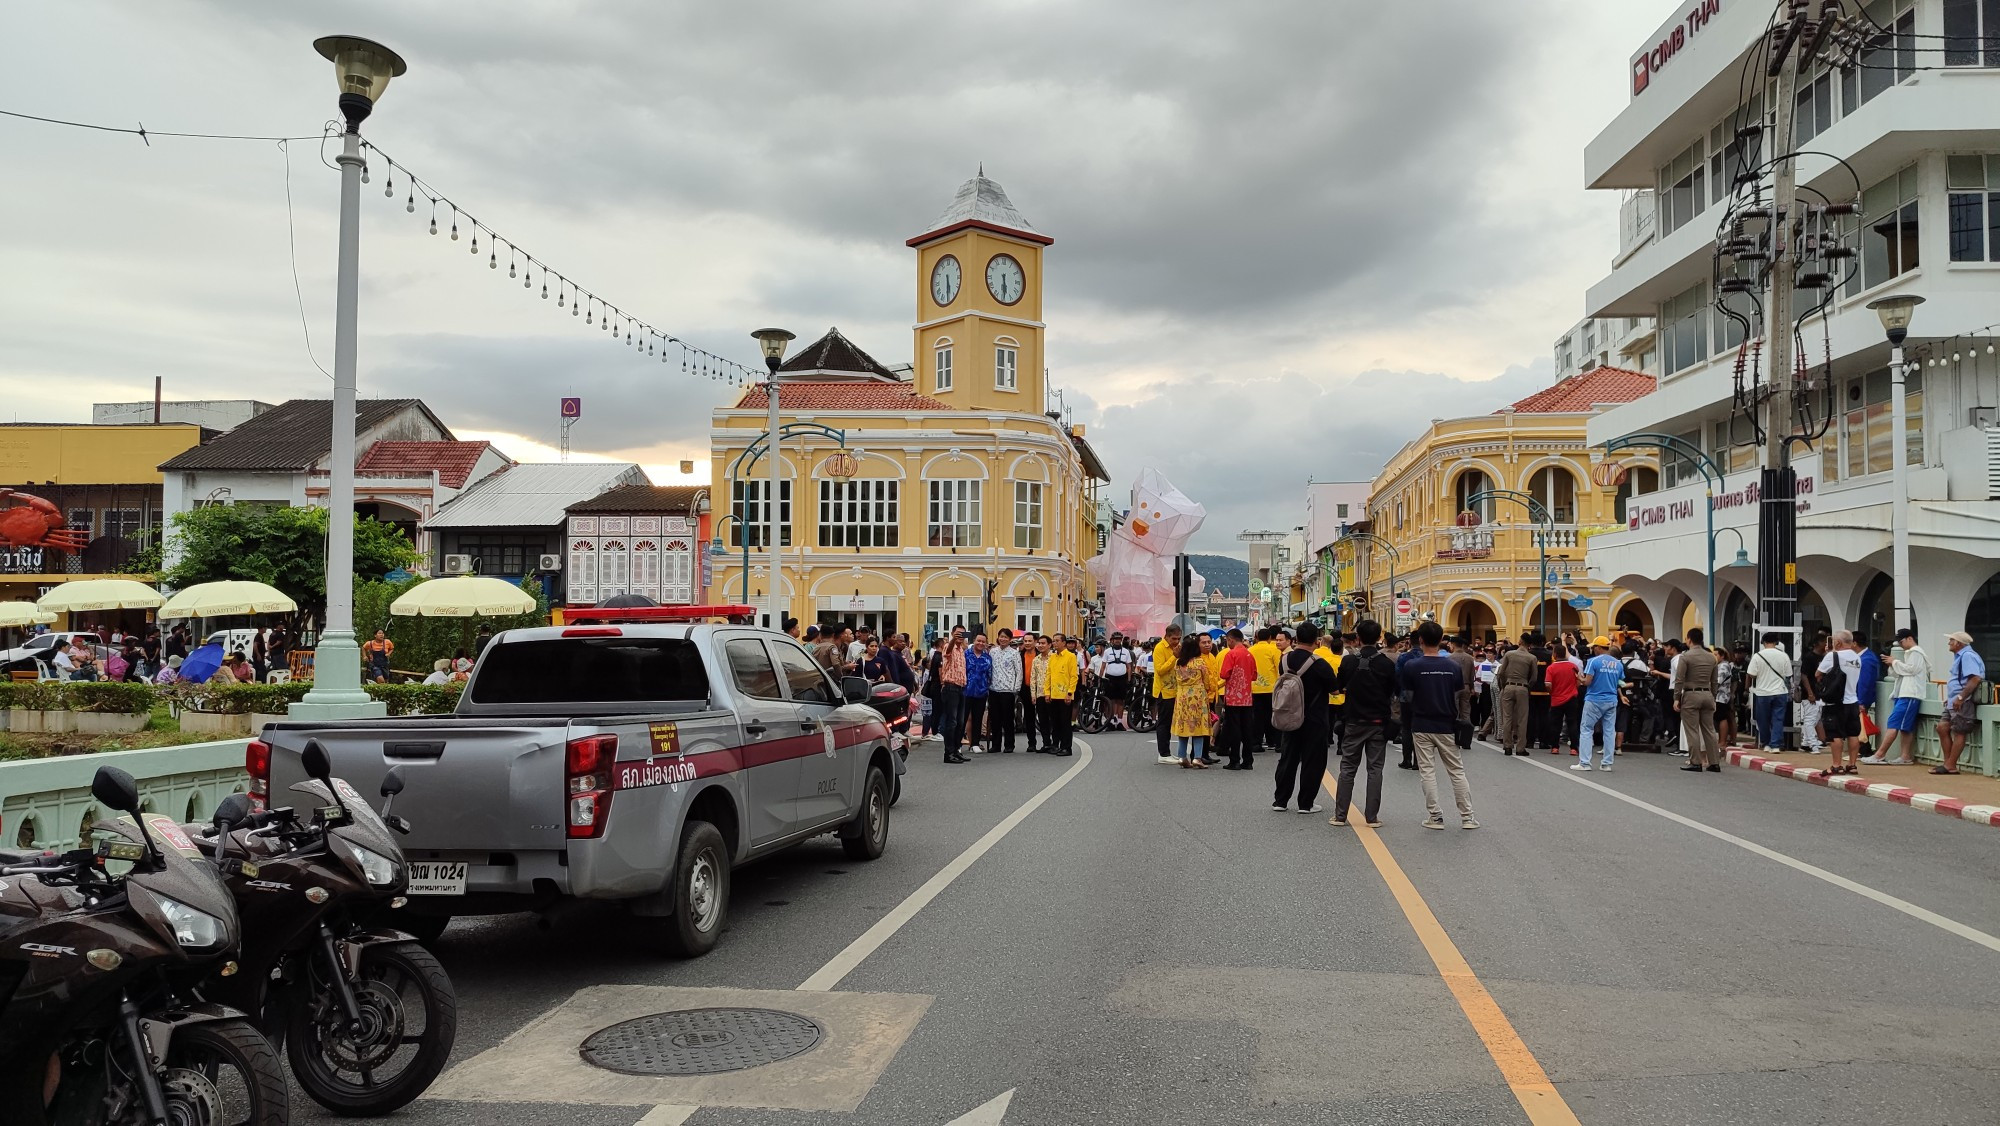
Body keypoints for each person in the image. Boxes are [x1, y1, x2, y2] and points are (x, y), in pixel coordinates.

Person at [1402, 620, 1477, 829]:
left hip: (1421, 723)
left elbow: (1408, 697)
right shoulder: (1452, 666)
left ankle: (1435, 816)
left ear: (1421, 640)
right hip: (1446, 723)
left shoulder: (1411, 666)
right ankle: (1467, 817)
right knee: (1456, 770)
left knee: (1427, 770)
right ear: (1442, 640)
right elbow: (1456, 692)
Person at [1329, 619, 1396, 827]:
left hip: (1353, 720)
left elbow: (1338, 687)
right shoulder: (1386, 663)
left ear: (1357, 638)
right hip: (1378, 721)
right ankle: (1372, 817)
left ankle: (1340, 816)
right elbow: (1392, 692)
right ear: (1379, 638)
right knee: (1375, 769)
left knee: (1348, 767)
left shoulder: (1348, 662)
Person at [1270, 622, 1336, 814]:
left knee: (1287, 758)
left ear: (1295, 639)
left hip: (1289, 716)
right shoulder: (1320, 663)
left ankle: (1280, 801)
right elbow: (1335, 689)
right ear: (1316, 640)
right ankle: (1305, 803)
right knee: (1312, 761)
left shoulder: (1284, 660)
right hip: (1314, 718)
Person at [1870, 628, 1930, 766]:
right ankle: (1905, 756)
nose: (1901, 645)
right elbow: (1899, 673)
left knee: (1893, 723)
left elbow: (1911, 669)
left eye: (1901, 641)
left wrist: (1895, 662)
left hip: (1910, 694)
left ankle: (1880, 754)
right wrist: (1893, 663)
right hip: (1905, 693)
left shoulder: (1916, 653)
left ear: (1909, 638)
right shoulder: (1910, 653)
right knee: (1905, 727)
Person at [1815, 630, 1864, 775]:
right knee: (1853, 733)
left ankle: (1836, 765)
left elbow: (1818, 673)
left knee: (1835, 734)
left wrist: (1829, 653)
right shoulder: (1857, 658)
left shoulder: (1832, 656)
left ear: (1838, 642)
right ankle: (1852, 764)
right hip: (1852, 700)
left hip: (1836, 702)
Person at [1673, 628, 1722, 773]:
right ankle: (1714, 762)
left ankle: (1696, 762)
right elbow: (1714, 681)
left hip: (1691, 694)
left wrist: (1676, 698)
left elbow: (1679, 679)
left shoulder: (1686, 657)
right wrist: (1712, 696)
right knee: (1709, 730)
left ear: (1689, 639)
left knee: (1692, 730)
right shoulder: (1711, 657)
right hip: (1707, 694)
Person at [1937, 631, 1983, 775]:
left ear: (1959, 643)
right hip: (1955, 699)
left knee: (1959, 731)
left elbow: (1975, 678)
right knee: (1942, 727)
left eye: (1952, 640)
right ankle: (1947, 763)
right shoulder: (1961, 656)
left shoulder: (1967, 656)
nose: (1949, 643)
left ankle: (1950, 765)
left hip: (1962, 701)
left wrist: (1961, 697)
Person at [1574, 637, 1623, 771]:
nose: (1592, 649)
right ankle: (1607, 763)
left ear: (1598, 647)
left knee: (1586, 729)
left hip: (1594, 699)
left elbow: (1587, 682)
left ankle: (1584, 763)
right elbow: (1620, 681)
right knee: (1609, 731)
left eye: (1593, 647)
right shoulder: (1618, 663)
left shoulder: (1593, 661)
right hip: (1611, 699)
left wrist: (1580, 679)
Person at [1217, 629, 1258, 770]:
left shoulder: (1231, 654)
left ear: (1231, 640)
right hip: (1247, 697)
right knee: (1247, 729)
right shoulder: (1249, 654)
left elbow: (1224, 673)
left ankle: (1234, 760)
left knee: (1234, 729)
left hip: (1233, 697)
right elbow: (1254, 676)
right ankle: (1248, 760)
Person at [1746, 634, 1794, 752]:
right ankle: (1776, 745)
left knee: (1763, 719)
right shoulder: (1784, 656)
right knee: (1778, 719)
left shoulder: (1757, 656)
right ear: (1777, 642)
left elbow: (1752, 674)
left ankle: (1766, 743)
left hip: (1763, 693)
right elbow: (1788, 674)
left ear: (1763, 642)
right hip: (1780, 691)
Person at [1170, 634, 1212, 768]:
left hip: (1182, 697)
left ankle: (1182, 756)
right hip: (1197, 697)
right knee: (1198, 727)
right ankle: (1197, 758)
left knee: (1184, 727)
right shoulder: (1199, 662)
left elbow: (1174, 680)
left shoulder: (1178, 663)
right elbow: (1207, 682)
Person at [1494, 635, 1536, 756]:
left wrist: (1504, 685)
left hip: (1508, 686)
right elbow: (1533, 677)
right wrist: (1527, 687)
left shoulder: (1509, 654)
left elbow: (1501, 673)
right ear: (1529, 644)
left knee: (1507, 717)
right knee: (1522, 719)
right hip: (1523, 687)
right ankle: (1520, 748)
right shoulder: (1531, 658)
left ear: (1520, 641)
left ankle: (1507, 746)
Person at [1152, 626, 1183, 765]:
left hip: (1175, 690)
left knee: (1170, 723)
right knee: (1163, 723)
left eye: (1178, 638)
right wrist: (1174, 657)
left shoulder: (1177, 648)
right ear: (1167, 636)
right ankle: (1163, 753)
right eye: (1174, 639)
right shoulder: (1160, 648)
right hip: (1164, 691)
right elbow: (1160, 670)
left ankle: (1168, 752)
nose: (1176, 641)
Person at [988, 628, 1022, 753]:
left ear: (1010, 639)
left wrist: (1016, 688)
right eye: (1001, 636)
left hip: (1008, 690)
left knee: (1008, 719)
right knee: (995, 718)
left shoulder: (1014, 653)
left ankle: (1009, 744)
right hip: (994, 689)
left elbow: (1019, 672)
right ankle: (996, 745)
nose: (1003, 639)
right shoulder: (993, 652)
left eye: (1006, 637)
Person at [1044, 633, 1078, 756]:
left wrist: (1070, 693)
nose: (1055, 643)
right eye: (1053, 641)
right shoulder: (1052, 657)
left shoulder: (1070, 656)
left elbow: (1074, 676)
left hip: (1065, 695)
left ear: (1063, 643)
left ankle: (1066, 747)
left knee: (1065, 722)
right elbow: (1049, 675)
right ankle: (1055, 744)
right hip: (1054, 694)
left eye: (1057, 641)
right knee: (1055, 722)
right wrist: (1047, 692)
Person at [938, 634, 970, 763]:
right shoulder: (948, 646)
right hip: (951, 687)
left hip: (961, 687)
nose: (960, 636)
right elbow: (948, 651)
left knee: (960, 722)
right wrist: (952, 640)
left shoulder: (962, 650)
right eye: (957, 634)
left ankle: (956, 750)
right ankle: (949, 753)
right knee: (952, 722)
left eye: (963, 634)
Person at [1248, 628, 1282, 755]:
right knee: (1273, 715)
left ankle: (1256, 742)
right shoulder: (1274, 650)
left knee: (1257, 716)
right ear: (1269, 638)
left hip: (1254, 687)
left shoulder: (1250, 650)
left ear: (1256, 638)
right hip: (1271, 687)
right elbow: (1279, 668)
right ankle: (1274, 741)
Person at [1546, 643, 1580, 755]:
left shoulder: (1551, 668)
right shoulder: (1573, 666)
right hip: (1571, 698)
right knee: (1572, 723)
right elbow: (1579, 681)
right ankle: (1574, 748)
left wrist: (1552, 692)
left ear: (1555, 654)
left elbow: (1548, 684)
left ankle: (1555, 747)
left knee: (1555, 724)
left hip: (1556, 699)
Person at [962, 634, 993, 753]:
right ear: (974, 641)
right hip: (966, 691)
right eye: (978, 641)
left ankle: (975, 743)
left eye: (983, 641)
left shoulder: (987, 658)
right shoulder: (966, 655)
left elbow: (990, 674)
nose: (980, 643)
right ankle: (958, 744)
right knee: (962, 718)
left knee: (978, 718)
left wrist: (986, 687)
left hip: (981, 692)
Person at [1101, 633, 1134, 731]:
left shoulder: (1126, 651)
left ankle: (1119, 721)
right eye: (1115, 639)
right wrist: (1100, 677)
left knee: (1120, 700)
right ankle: (1110, 721)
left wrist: (1129, 679)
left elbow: (1129, 666)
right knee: (1110, 701)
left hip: (1122, 679)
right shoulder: (1107, 651)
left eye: (1119, 639)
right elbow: (1103, 665)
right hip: (1110, 678)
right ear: (1112, 640)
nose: (1117, 641)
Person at [1712, 645, 1737, 750]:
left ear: (1722, 656)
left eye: (1716, 654)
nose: (1714, 657)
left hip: (1720, 697)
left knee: (1722, 718)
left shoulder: (1723, 666)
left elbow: (1717, 681)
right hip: (1719, 696)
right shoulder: (1720, 665)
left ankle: (1722, 741)